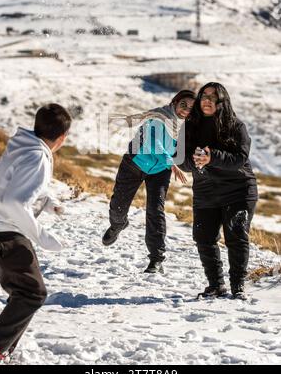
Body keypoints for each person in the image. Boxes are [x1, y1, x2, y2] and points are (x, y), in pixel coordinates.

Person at [0, 103, 72, 363]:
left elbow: (14, 183)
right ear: (63, 137)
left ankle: (0, 350)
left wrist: (48, 200)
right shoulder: (37, 156)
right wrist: (43, 237)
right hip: (2, 231)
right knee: (32, 293)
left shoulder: (23, 147)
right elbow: (14, 202)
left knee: (25, 292)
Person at [102, 90, 196, 274]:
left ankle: (156, 259)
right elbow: (152, 144)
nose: (186, 110)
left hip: (160, 170)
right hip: (135, 163)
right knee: (118, 205)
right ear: (175, 102)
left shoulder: (186, 126)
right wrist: (172, 163)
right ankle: (118, 224)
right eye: (183, 104)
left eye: (191, 108)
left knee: (155, 210)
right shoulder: (159, 117)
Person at [179, 83, 258, 300]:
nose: (207, 100)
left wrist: (212, 157)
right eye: (204, 96)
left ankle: (238, 286)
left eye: (213, 98)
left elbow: (240, 159)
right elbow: (182, 161)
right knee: (203, 237)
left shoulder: (236, 126)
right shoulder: (190, 126)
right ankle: (216, 285)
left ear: (222, 102)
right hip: (205, 191)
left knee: (236, 235)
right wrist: (195, 163)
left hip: (239, 189)